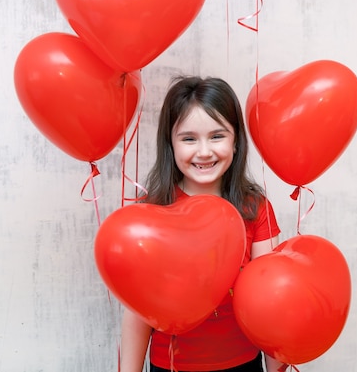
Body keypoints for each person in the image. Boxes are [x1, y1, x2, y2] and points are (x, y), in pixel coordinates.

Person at [120, 76, 284, 372]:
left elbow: (269, 302)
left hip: (243, 365)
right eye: (189, 138)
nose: (204, 151)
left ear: (236, 142)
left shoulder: (254, 208)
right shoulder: (149, 214)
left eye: (217, 136)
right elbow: (136, 313)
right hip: (170, 366)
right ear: (171, 144)